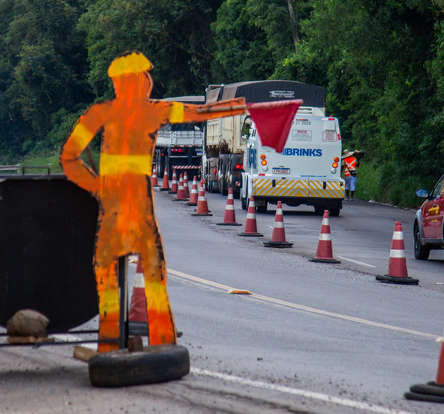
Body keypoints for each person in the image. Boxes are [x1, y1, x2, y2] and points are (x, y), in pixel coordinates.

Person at [61, 52, 289, 351]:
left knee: (110, 278)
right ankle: (161, 343)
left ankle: (110, 345)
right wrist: (244, 106)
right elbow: (203, 113)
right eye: (142, 78)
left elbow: (69, 156)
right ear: (127, 83)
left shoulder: (102, 113)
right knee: (149, 277)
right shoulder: (149, 112)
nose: (147, 83)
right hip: (136, 213)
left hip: (116, 210)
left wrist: (97, 187)